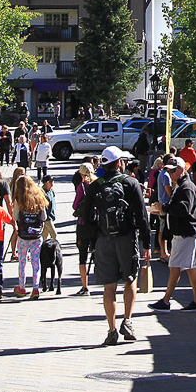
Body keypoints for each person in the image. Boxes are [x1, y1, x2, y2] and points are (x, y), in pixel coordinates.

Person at [80, 146, 151, 345]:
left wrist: (91, 243)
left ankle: (111, 330)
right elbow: (141, 216)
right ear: (119, 163)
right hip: (126, 238)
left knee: (108, 287)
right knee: (130, 279)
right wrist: (146, 242)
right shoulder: (131, 183)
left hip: (104, 240)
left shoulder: (95, 186)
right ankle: (127, 321)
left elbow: (86, 216)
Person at [149, 159, 196, 313]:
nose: (170, 174)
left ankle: (169, 300)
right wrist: (163, 210)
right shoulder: (182, 186)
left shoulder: (186, 187)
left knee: (181, 267)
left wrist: (164, 208)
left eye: (173, 171)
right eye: (169, 171)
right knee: (185, 267)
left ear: (181, 170)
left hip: (185, 233)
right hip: (183, 232)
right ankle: (195, 300)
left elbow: (183, 209)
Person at [12, 175, 48, 299]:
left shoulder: (19, 199)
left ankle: (21, 287)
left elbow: (15, 217)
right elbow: (44, 217)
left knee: (22, 261)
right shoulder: (39, 197)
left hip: (23, 235)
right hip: (37, 235)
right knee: (35, 262)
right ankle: (35, 287)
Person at [71, 162, 97, 296]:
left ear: (81, 174)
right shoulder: (98, 185)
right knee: (99, 254)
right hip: (97, 224)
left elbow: (75, 205)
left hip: (83, 223)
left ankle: (85, 286)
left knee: (83, 256)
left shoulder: (82, 187)